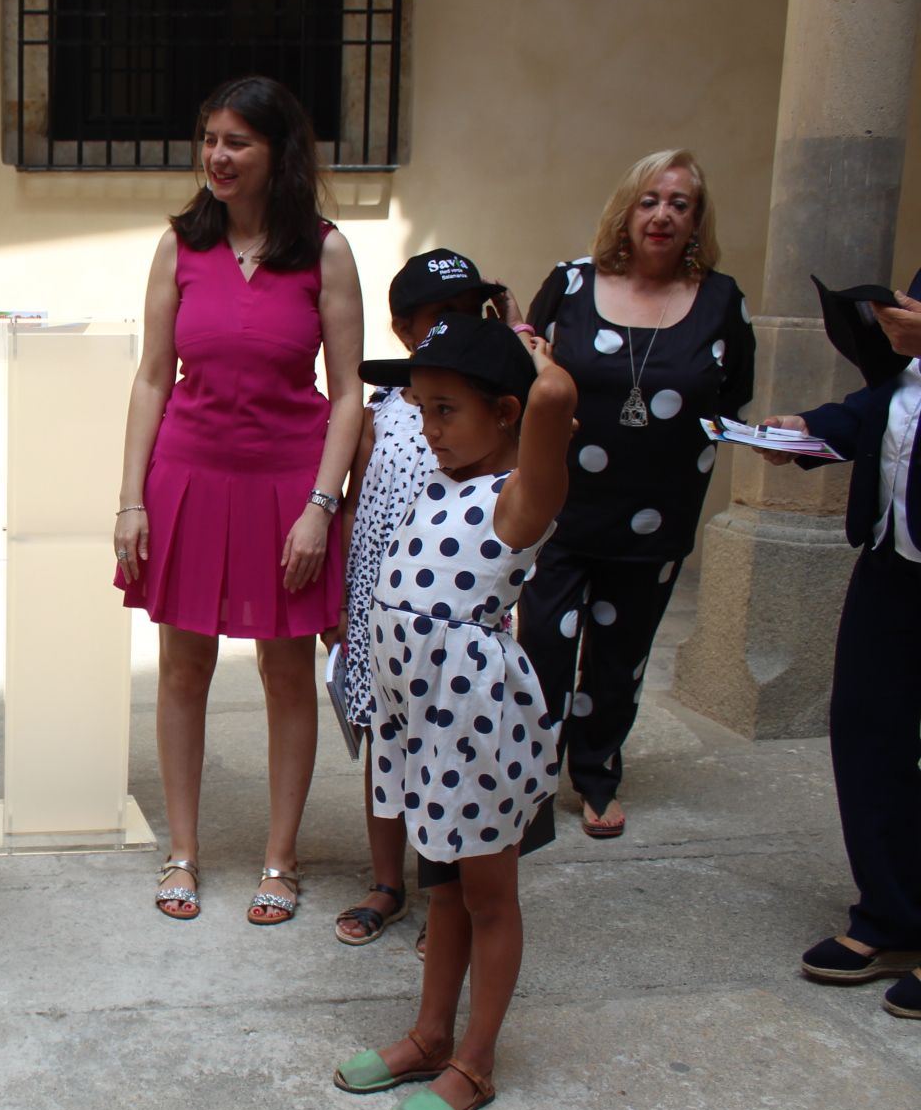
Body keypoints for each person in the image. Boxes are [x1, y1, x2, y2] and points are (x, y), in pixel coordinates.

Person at [113, 76, 363, 925]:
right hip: (188, 477)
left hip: (289, 485)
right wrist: (130, 501)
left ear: (277, 152)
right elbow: (153, 377)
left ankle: (280, 860)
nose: (217, 156)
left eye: (237, 142)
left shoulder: (324, 250)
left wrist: (322, 508)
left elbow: (349, 392)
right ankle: (182, 852)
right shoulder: (180, 245)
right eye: (210, 138)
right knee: (183, 668)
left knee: (288, 671)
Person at [333, 315, 576, 1110]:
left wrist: (541, 358)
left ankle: (476, 1059)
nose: (428, 430)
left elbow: (556, 399)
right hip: (420, 723)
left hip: (476, 726)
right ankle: (432, 1033)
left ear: (505, 412)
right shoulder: (439, 484)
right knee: (441, 883)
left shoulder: (515, 500)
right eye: (421, 410)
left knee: (488, 894)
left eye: (446, 411)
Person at [517, 150, 755, 838]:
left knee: (620, 657)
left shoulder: (720, 299)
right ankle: (530, 782)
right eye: (651, 200)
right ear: (627, 210)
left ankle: (596, 774)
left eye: (681, 204)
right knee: (541, 652)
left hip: (657, 516)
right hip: (558, 508)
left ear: (697, 221)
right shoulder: (570, 283)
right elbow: (532, 376)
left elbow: (732, 392)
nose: (664, 215)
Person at [333, 250, 520, 952]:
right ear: (404, 328)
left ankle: (450, 896)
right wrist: (346, 612)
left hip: (462, 622)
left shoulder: (497, 422)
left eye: (470, 314)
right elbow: (355, 507)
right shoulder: (384, 410)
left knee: (450, 753)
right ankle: (388, 881)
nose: (455, 328)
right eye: (440, 317)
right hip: (385, 615)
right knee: (385, 743)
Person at [752, 269, 921, 1021]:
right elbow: (887, 404)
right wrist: (808, 431)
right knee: (866, 732)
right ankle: (890, 914)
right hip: (891, 561)